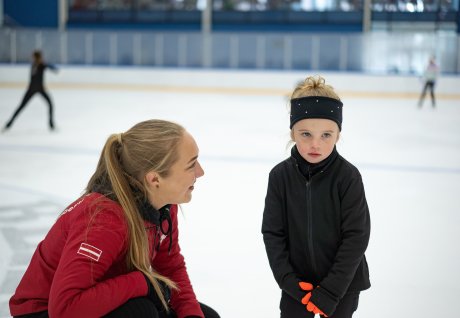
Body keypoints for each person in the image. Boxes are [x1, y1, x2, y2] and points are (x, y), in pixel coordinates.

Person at [9, 119, 220, 318]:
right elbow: (64, 309)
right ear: (154, 179)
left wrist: (191, 314)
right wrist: (142, 281)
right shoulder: (103, 220)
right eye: (191, 164)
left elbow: (170, 268)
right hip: (45, 312)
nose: (200, 172)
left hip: (97, 299)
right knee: (140, 312)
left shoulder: (162, 204)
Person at [262, 76, 371, 318]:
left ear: (338, 135)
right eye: (305, 134)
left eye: (326, 135)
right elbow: (273, 233)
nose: (315, 144)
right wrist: (287, 280)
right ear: (292, 132)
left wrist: (332, 290)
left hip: (342, 287)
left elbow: (356, 237)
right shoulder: (280, 176)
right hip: (297, 286)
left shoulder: (348, 177)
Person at [3, 50, 58, 132]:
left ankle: (51, 124)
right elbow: (54, 69)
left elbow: (54, 69)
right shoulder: (37, 65)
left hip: (37, 89)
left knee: (50, 104)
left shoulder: (39, 65)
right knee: (21, 106)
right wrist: (45, 64)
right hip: (33, 89)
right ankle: (9, 123)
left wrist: (45, 64)